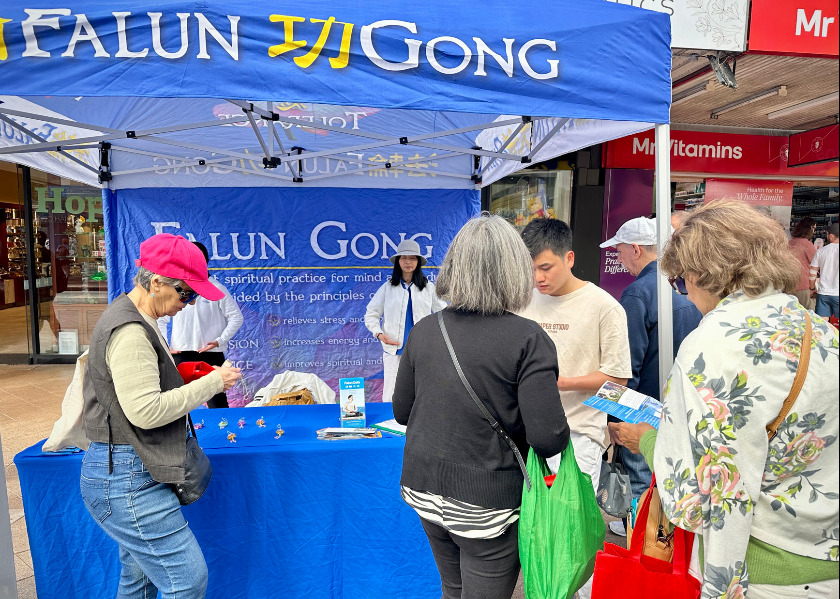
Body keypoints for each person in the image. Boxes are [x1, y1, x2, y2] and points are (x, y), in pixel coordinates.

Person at [609, 201, 839, 599]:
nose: (684, 291)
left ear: (700, 272)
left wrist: (645, 439)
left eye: (682, 281)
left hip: (756, 570)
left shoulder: (711, 345)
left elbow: (691, 497)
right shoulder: (818, 329)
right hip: (825, 556)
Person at [393, 214, 569, 599]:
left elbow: (402, 412)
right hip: (488, 501)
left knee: (453, 587)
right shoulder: (528, 338)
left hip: (424, 487)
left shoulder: (425, 329)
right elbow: (548, 438)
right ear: (513, 271)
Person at [81, 233, 242, 599]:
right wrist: (213, 382)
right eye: (186, 293)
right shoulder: (131, 331)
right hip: (126, 476)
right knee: (186, 580)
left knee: (138, 582)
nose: (190, 303)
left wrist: (183, 375)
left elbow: (131, 390)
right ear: (157, 283)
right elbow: (146, 411)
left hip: (127, 469)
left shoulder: (136, 316)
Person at [520, 217, 631, 599]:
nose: (538, 277)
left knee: (570, 534)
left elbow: (618, 381)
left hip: (578, 436)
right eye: (531, 268)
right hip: (523, 436)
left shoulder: (603, 306)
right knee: (533, 531)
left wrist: (561, 382)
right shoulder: (524, 299)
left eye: (545, 267)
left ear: (569, 257)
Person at [599, 217, 701, 536]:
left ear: (636, 249)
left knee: (641, 475)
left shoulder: (638, 293)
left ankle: (643, 536)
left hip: (643, 404)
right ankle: (656, 532)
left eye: (619, 251)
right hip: (681, 401)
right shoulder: (686, 285)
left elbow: (624, 365)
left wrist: (613, 419)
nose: (619, 258)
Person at [158, 241, 244, 408]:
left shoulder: (217, 288)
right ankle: (182, 434)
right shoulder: (176, 288)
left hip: (210, 352)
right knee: (178, 400)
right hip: (181, 351)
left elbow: (236, 317)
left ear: (203, 262)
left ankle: (224, 433)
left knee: (217, 402)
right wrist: (165, 345)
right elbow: (161, 318)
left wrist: (220, 340)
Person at [365, 239, 446, 402]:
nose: (408, 262)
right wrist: (379, 334)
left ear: (418, 262)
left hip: (421, 347)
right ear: (398, 261)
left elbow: (443, 313)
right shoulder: (387, 288)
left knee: (422, 386)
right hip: (393, 347)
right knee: (391, 389)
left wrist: (435, 335)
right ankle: (389, 421)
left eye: (413, 258)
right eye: (404, 258)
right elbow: (371, 314)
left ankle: (420, 421)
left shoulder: (428, 287)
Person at [809, 222, 839, 319]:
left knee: (823, 323)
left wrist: (812, 288)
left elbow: (812, 273)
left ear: (831, 236)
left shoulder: (821, 251)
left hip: (823, 294)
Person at [789, 217, 817, 310]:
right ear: (809, 229)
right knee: (808, 314)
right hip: (803, 284)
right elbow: (816, 263)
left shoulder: (789, 243)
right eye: (814, 228)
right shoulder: (807, 244)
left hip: (789, 284)